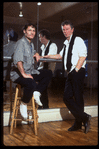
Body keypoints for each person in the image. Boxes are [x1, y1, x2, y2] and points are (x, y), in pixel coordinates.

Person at [44, 20, 91, 134]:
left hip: (77, 71)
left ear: (72, 29)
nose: (65, 31)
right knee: (67, 97)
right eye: (63, 30)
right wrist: (44, 56)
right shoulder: (66, 43)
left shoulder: (78, 40)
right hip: (71, 73)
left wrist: (76, 70)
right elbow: (60, 56)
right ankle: (84, 118)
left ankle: (78, 123)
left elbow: (83, 55)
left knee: (78, 98)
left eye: (67, 29)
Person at [10, 23, 52, 120]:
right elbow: (18, 61)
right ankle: (24, 104)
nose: (32, 32)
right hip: (18, 74)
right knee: (31, 82)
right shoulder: (21, 43)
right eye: (29, 30)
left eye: (33, 31)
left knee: (48, 73)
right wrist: (24, 74)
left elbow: (33, 53)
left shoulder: (31, 44)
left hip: (29, 71)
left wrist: (36, 53)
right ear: (24, 31)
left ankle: (37, 92)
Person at [34, 29, 58, 109]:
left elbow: (49, 58)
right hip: (40, 70)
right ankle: (44, 107)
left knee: (43, 88)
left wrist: (39, 57)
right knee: (43, 89)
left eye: (40, 37)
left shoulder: (52, 45)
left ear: (44, 36)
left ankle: (43, 106)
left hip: (47, 71)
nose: (39, 39)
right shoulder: (42, 47)